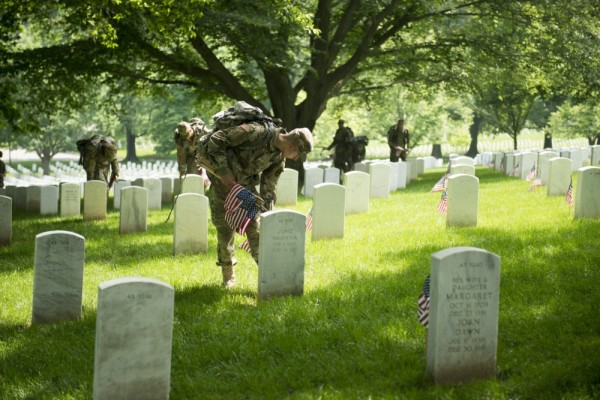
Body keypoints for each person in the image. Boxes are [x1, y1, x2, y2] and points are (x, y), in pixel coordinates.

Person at [196, 113, 314, 288]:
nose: (296, 158)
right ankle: (228, 276)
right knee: (225, 232)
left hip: (245, 190)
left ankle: (270, 277)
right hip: (223, 185)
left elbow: (269, 187)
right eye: (298, 153)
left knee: (256, 230)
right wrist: (224, 173)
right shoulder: (254, 132)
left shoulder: (278, 157)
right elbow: (217, 140)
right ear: (292, 144)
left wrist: (268, 214)